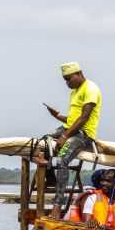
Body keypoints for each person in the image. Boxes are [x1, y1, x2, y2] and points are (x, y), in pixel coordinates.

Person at [42, 62, 102, 219]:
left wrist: (64, 136)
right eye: (64, 80)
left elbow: (84, 118)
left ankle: (57, 206)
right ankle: (51, 177)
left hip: (83, 133)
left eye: (69, 78)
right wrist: (57, 116)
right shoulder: (74, 92)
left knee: (62, 160)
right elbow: (72, 119)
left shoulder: (90, 89)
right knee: (43, 142)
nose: (67, 83)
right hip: (70, 128)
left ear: (79, 73)